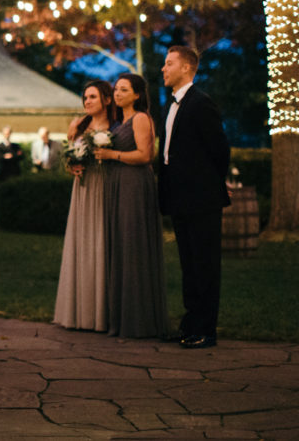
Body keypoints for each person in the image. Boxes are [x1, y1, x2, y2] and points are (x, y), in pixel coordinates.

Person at [158, 46, 230, 349]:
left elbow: (220, 150)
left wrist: (208, 184)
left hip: (202, 199)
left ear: (186, 68)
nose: (163, 69)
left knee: (205, 265)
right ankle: (190, 325)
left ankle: (205, 330)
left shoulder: (201, 103)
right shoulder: (170, 104)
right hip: (179, 198)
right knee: (188, 264)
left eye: (169, 63)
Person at [94, 73, 169, 339]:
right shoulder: (118, 122)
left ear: (137, 95)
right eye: (116, 89)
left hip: (134, 185)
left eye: (124, 90)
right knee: (120, 244)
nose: (117, 93)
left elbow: (145, 155)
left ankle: (139, 319)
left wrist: (111, 154)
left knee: (132, 243)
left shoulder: (140, 118)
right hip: (117, 183)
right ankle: (121, 317)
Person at [53, 80, 114, 331]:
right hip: (82, 188)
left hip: (106, 186)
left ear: (107, 100)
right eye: (85, 97)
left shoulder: (116, 127)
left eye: (93, 97)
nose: (87, 101)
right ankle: (79, 311)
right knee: (81, 243)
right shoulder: (77, 126)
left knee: (102, 242)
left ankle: (102, 312)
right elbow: (68, 158)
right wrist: (72, 166)